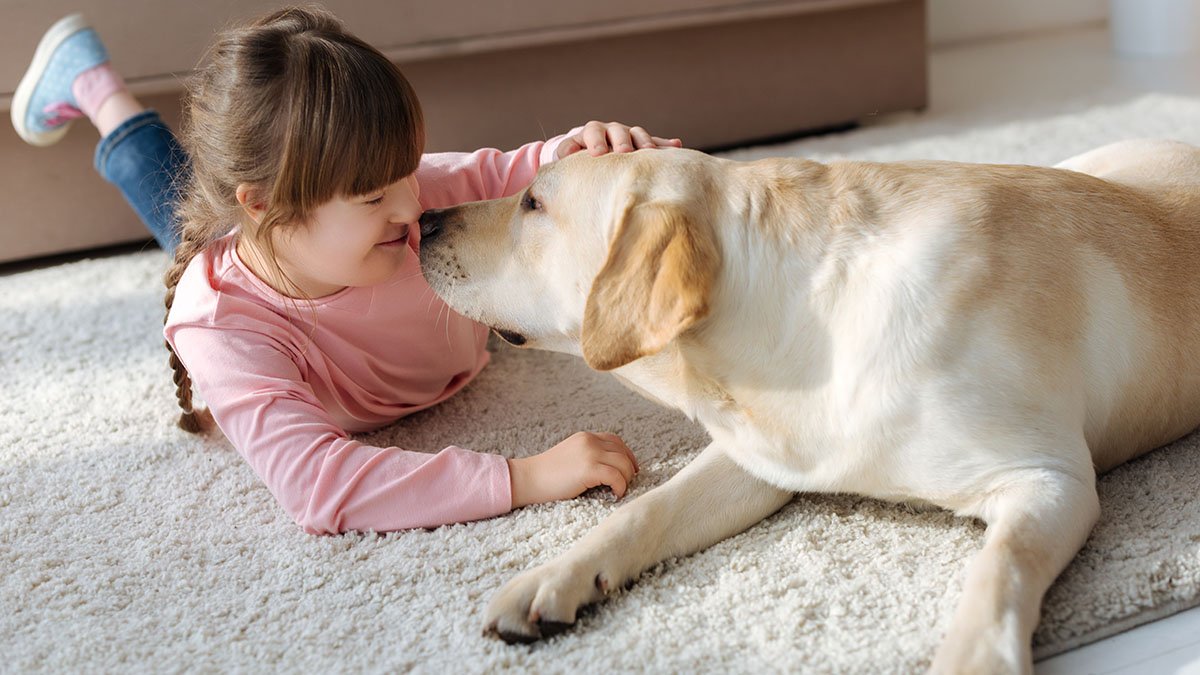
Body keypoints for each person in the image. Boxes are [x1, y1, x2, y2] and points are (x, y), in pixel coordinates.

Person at [12, 7, 684, 534]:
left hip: (277, 235)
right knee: (179, 207)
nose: (414, 206)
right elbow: (322, 487)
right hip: (246, 266)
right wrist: (523, 477)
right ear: (268, 206)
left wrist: (590, 149)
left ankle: (93, 83)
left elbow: (533, 171)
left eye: (407, 173)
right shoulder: (223, 326)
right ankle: (94, 88)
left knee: (199, 194)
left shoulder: (417, 193)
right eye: (373, 197)